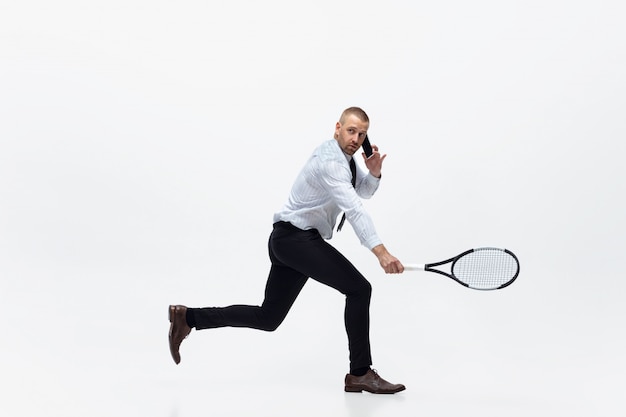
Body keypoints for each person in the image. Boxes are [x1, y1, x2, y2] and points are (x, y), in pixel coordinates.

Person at [168, 107, 406, 394]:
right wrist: (381, 252)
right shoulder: (331, 160)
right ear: (337, 128)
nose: (356, 138)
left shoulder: (348, 162)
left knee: (268, 318)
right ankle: (360, 373)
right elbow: (354, 208)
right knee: (359, 289)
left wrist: (375, 172)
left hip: (287, 242)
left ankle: (188, 318)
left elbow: (362, 191)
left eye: (362, 133)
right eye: (351, 130)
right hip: (296, 241)